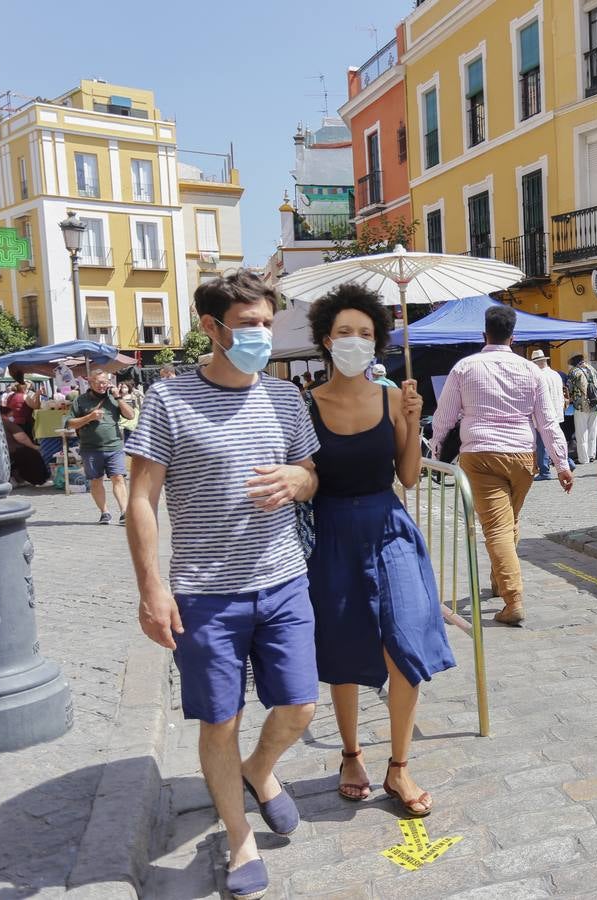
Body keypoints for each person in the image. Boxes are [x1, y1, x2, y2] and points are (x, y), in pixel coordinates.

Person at [125, 272, 321, 900]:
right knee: (220, 720)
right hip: (205, 593)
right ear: (211, 327)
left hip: (284, 578)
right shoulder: (169, 401)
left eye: (267, 323)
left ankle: (260, 771)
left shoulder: (287, 399)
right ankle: (239, 841)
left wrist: (299, 479)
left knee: (298, 706)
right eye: (248, 324)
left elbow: (311, 474)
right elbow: (141, 499)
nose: (261, 334)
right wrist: (152, 588)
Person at [304, 285, 455, 817]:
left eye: (365, 333)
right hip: (333, 533)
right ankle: (350, 755)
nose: (355, 341)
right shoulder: (307, 405)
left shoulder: (394, 398)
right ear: (326, 339)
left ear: (378, 342)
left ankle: (399, 765)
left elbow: (409, 477)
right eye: (345, 332)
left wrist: (412, 423)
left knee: (407, 638)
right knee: (344, 648)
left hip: (389, 525)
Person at [430, 306, 573, 626]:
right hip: (522, 455)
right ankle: (498, 582)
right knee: (509, 522)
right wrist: (561, 463)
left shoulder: (465, 368)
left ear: (484, 335)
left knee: (496, 527)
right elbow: (547, 422)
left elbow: (444, 417)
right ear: (513, 337)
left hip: (479, 454)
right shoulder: (531, 371)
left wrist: (435, 451)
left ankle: (514, 598)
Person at [65, 370, 135, 525]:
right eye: (99, 383)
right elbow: (70, 423)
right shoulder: (81, 400)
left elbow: (130, 415)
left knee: (118, 478)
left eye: (105, 382)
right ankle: (105, 512)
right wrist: (89, 417)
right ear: (91, 383)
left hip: (114, 446)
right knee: (96, 481)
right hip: (90, 448)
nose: (103, 386)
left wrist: (118, 397)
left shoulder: (113, 398)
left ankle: (124, 512)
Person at [530, 349, 569, 480]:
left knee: (542, 444)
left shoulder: (539, 376)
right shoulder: (556, 375)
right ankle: (568, 462)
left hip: (545, 413)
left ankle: (545, 470)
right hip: (557, 412)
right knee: (556, 440)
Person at [568, 353, 597, 464]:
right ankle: (591, 454)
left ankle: (584, 458)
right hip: (595, 404)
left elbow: (570, 389)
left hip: (581, 405)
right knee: (592, 430)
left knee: (581, 432)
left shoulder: (574, 372)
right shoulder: (593, 369)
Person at [0, 408, 50, 486]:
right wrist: (33, 446)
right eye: (11, 415)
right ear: (4, 415)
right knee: (31, 454)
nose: (12, 417)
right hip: (12, 451)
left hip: (3, 452)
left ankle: (18, 479)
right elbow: (21, 437)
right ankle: (39, 480)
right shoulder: (7, 423)